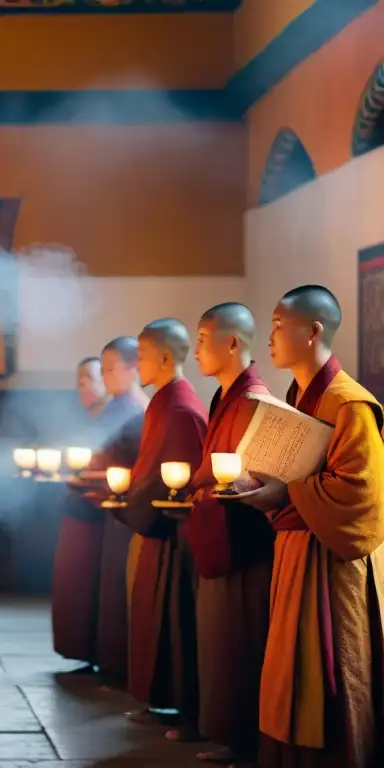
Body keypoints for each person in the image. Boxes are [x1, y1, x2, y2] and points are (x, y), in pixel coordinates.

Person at [244, 285, 384, 767]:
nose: (271, 337)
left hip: (332, 562)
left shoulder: (349, 404)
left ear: (314, 331)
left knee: (333, 675)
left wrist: (288, 491)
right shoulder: (299, 396)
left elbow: (359, 495)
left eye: (281, 326)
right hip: (296, 551)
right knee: (291, 673)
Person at [184, 303, 275, 765]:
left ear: (233, 342)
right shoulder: (225, 397)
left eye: (202, 338)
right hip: (218, 535)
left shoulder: (255, 401)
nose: (195, 349)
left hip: (244, 544)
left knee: (238, 645)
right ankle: (226, 734)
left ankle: (242, 740)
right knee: (219, 645)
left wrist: (227, 486)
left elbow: (264, 475)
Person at [116, 319, 206, 742]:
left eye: (143, 356)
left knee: (174, 620)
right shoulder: (164, 402)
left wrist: (127, 502)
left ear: (166, 357)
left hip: (175, 535)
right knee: (155, 616)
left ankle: (183, 708)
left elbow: (168, 477)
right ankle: (162, 702)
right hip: (157, 526)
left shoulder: (180, 407)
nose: (137, 364)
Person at [89, 336, 149, 688]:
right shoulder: (115, 407)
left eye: (110, 369)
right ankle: (108, 661)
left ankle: (119, 666)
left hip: (129, 509)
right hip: (110, 505)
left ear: (133, 369)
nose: (106, 377)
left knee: (120, 585)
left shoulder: (138, 410)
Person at [51, 357, 110, 671]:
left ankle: (97, 650)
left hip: (99, 513)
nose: (82, 386)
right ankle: (83, 650)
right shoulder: (87, 419)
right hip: (78, 506)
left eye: (89, 378)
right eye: (78, 381)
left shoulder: (116, 417)